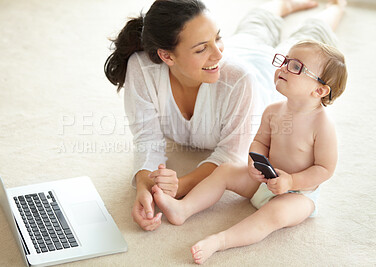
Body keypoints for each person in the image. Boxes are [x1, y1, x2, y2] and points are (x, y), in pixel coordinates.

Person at [104, 0, 341, 231]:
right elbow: (147, 138)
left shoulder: (240, 79)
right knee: (254, 27)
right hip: (240, 52)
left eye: (217, 37)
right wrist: (145, 187)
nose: (218, 53)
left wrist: (178, 188)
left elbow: (230, 156)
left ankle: (331, 6)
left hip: (263, 69)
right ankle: (284, 6)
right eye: (201, 48)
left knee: (309, 34)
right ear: (167, 56)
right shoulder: (142, 69)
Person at [152, 38, 348, 264]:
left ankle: (220, 240)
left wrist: (292, 182)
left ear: (319, 90)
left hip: (298, 194)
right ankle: (183, 209)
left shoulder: (322, 126)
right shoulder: (273, 111)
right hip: (265, 179)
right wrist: (254, 163)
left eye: (296, 67)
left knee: (276, 214)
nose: (283, 67)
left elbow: (324, 169)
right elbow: (259, 143)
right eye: (285, 61)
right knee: (225, 171)